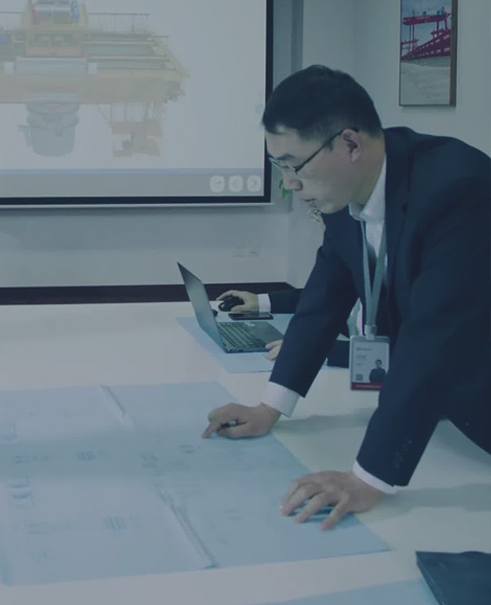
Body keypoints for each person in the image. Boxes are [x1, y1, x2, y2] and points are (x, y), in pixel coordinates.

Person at [203, 65, 491, 530]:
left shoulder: (458, 187)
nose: (289, 184)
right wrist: (269, 407)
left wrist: (367, 478)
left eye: (294, 165)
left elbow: (436, 335)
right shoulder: (346, 190)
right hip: (446, 416)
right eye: (279, 167)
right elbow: (323, 300)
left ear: (350, 144)